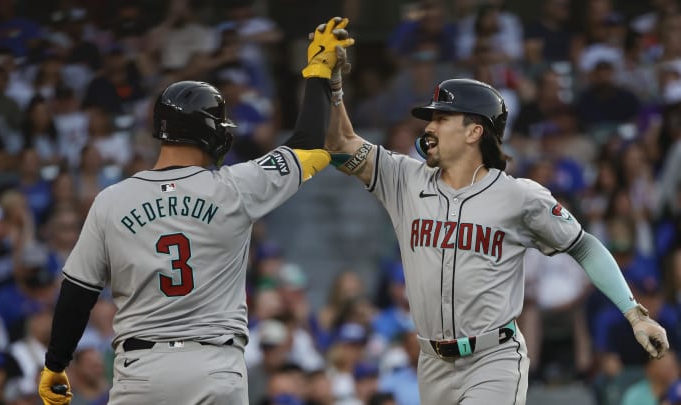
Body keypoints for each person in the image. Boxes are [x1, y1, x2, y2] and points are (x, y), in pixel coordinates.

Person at [319, 25, 669, 404]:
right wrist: (333, 86)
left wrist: (635, 314)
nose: (429, 126)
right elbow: (339, 146)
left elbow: (584, 247)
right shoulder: (403, 178)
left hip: (492, 359)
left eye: (441, 118)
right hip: (431, 363)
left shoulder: (518, 196)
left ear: (474, 132)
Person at [37, 17, 354, 405]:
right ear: (210, 130)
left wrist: (56, 363)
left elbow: (77, 292)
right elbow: (307, 144)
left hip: (141, 371)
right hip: (214, 365)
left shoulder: (111, 200)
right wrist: (318, 71)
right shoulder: (236, 186)